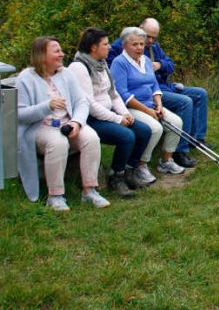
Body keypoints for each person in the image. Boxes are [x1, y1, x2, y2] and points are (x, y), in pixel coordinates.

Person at [16, 37, 110, 210]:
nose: (62, 54)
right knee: (57, 142)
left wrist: (76, 123)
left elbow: (81, 102)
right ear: (42, 55)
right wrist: (47, 106)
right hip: (40, 127)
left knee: (91, 138)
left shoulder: (66, 74)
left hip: (67, 123)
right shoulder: (26, 78)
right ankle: (56, 196)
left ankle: (89, 191)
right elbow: (20, 114)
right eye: (57, 51)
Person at [108, 18, 209, 168]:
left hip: (162, 88)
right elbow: (118, 84)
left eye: (152, 38)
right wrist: (150, 108)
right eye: (146, 37)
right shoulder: (119, 51)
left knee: (200, 93)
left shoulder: (152, 48)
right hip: (137, 98)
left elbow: (169, 65)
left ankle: (196, 139)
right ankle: (179, 151)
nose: (148, 42)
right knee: (185, 102)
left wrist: (160, 65)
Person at [68, 27, 153, 197]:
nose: (109, 47)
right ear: (93, 47)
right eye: (105, 44)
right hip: (90, 119)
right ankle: (117, 176)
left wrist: (124, 114)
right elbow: (89, 104)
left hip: (109, 113)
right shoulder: (79, 67)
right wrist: (117, 119)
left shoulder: (102, 64)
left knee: (144, 131)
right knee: (126, 136)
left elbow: (113, 94)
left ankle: (131, 170)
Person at [110, 27, 186, 185]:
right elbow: (122, 94)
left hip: (151, 104)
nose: (139, 48)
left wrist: (158, 105)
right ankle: (141, 165)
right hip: (131, 107)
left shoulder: (145, 60)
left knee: (176, 122)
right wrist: (148, 111)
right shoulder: (119, 63)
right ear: (124, 45)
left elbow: (154, 86)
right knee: (155, 128)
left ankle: (166, 161)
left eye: (141, 44)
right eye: (134, 44)